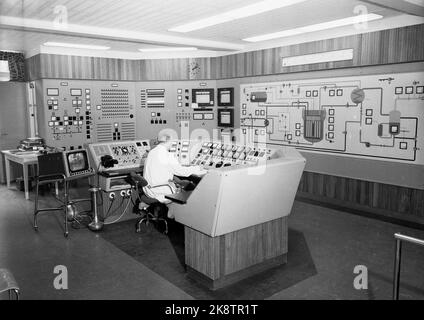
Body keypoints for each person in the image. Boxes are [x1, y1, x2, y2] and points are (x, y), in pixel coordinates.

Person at [143, 134, 207, 204]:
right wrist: (198, 168)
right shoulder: (167, 155)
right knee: (190, 188)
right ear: (169, 141)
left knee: (180, 182)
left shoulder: (152, 152)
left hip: (148, 190)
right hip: (159, 191)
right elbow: (182, 172)